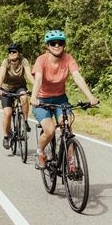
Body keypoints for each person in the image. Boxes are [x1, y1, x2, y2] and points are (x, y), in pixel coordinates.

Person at [31, 30, 99, 170]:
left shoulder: (68, 58)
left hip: (60, 99)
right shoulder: (41, 60)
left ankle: (71, 161)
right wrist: (33, 97)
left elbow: (77, 76)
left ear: (64, 45)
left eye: (60, 43)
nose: (57, 45)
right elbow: (38, 79)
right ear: (47, 46)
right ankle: (40, 152)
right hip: (42, 100)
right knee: (49, 131)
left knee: (66, 126)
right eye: (53, 43)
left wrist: (90, 96)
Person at [0, 43, 34, 149]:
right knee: (8, 113)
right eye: (10, 52)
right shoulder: (6, 62)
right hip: (5, 89)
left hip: (19, 87)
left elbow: (29, 75)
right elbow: (1, 76)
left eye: (14, 52)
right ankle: (6, 136)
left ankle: (25, 121)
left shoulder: (23, 61)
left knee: (24, 97)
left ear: (18, 53)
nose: (11, 54)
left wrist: (37, 85)